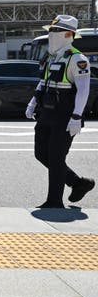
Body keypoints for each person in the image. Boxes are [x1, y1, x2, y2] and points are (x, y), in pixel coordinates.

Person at [25, 15, 95, 208]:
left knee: (56, 157)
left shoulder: (77, 59)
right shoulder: (51, 56)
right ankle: (78, 183)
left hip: (65, 116)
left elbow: (83, 90)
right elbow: (43, 82)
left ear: (67, 34)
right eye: (50, 31)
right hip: (47, 112)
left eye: (55, 31)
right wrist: (33, 102)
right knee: (41, 154)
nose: (51, 35)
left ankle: (54, 201)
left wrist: (76, 116)